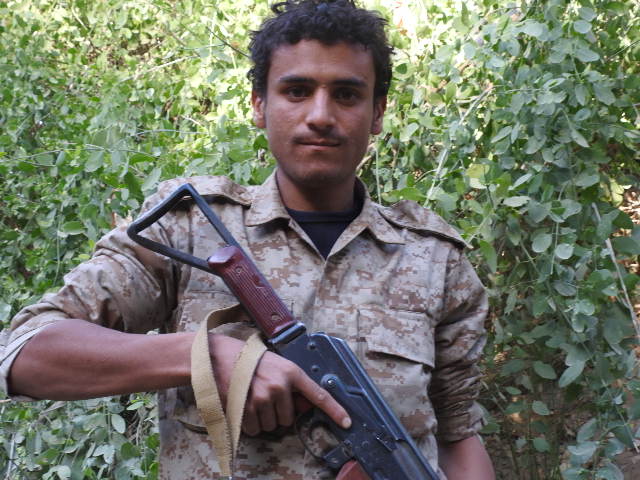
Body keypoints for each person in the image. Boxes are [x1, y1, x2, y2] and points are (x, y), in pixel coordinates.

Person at [0, 1, 494, 478]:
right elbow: (25, 353)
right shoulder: (190, 228)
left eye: (347, 94)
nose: (321, 115)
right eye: (297, 91)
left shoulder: (435, 260)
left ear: (378, 113)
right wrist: (211, 357)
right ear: (259, 105)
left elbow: (458, 437)